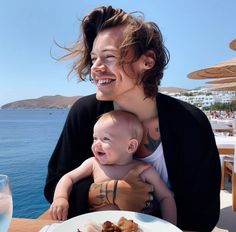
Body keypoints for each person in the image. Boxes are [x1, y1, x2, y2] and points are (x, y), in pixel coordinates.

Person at [44, 5, 221, 231]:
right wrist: (112, 192)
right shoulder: (85, 113)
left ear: (147, 61)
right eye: (94, 58)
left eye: (108, 57)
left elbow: (204, 212)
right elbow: (54, 186)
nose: (95, 68)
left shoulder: (190, 122)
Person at [49, 110, 177, 225]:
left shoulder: (144, 170)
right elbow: (68, 178)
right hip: (98, 226)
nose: (96, 144)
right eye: (95, 138)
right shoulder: (93, 163)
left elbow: (166, 197)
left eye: (105, 139)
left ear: (131, 146)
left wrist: (169, 226)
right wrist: (60, 198)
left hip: (135, 227)